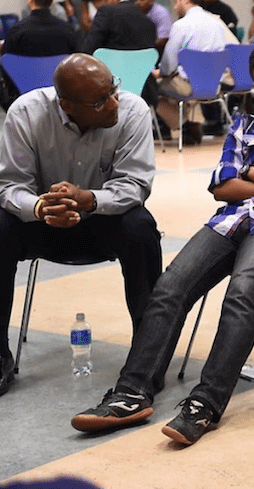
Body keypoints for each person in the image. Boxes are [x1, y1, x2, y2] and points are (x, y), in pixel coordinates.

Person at [71, 41, 254, 445]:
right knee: (169, 289)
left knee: (242, 293)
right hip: (230, 221)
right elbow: (221, 187)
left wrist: (252, 174)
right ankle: (132, 393)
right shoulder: (244, 124)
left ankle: (205, 404)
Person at [0, 53, 162, 397]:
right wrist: (42, 206)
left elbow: (135, 185)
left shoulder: (132, 111)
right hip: (43, 224)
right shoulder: (26, 113)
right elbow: (9, 185)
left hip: (103, 223)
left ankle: (148, 358)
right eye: (101, 101)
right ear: (67, 106)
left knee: (141, 227)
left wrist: (88, 199)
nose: (114, 103)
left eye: (114, 90)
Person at [154, 0, 228, 142]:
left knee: (151, 88)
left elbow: (169, 64)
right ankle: (188, 127)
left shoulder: (181, 25)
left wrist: (159, 73)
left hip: (189, 87)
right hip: (214, 87)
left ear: (185, 1)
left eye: (176, 2)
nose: (175, 7)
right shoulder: (217, 24)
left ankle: (185, 125)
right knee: (176, 82)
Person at [1, 0, 79, 56]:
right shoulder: (68, 30)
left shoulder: (16, 32)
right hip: (57, 78)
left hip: (24, 78)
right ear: (51, 1)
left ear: (30, 1)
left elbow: (8, 60)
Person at [81, 0, 156, 55]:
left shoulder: (106, 12)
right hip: (139, 75)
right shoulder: (150, 24)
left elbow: (88, 50)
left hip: (108, 73)